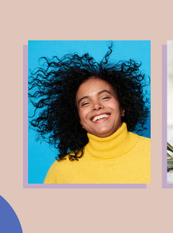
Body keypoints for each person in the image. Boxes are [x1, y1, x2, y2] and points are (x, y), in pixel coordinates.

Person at [29, 45, 150, 184]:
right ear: (79, 120)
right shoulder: (60, 172)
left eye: (105, 97)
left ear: (123, 107)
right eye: (85, 103)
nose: (96, 106)